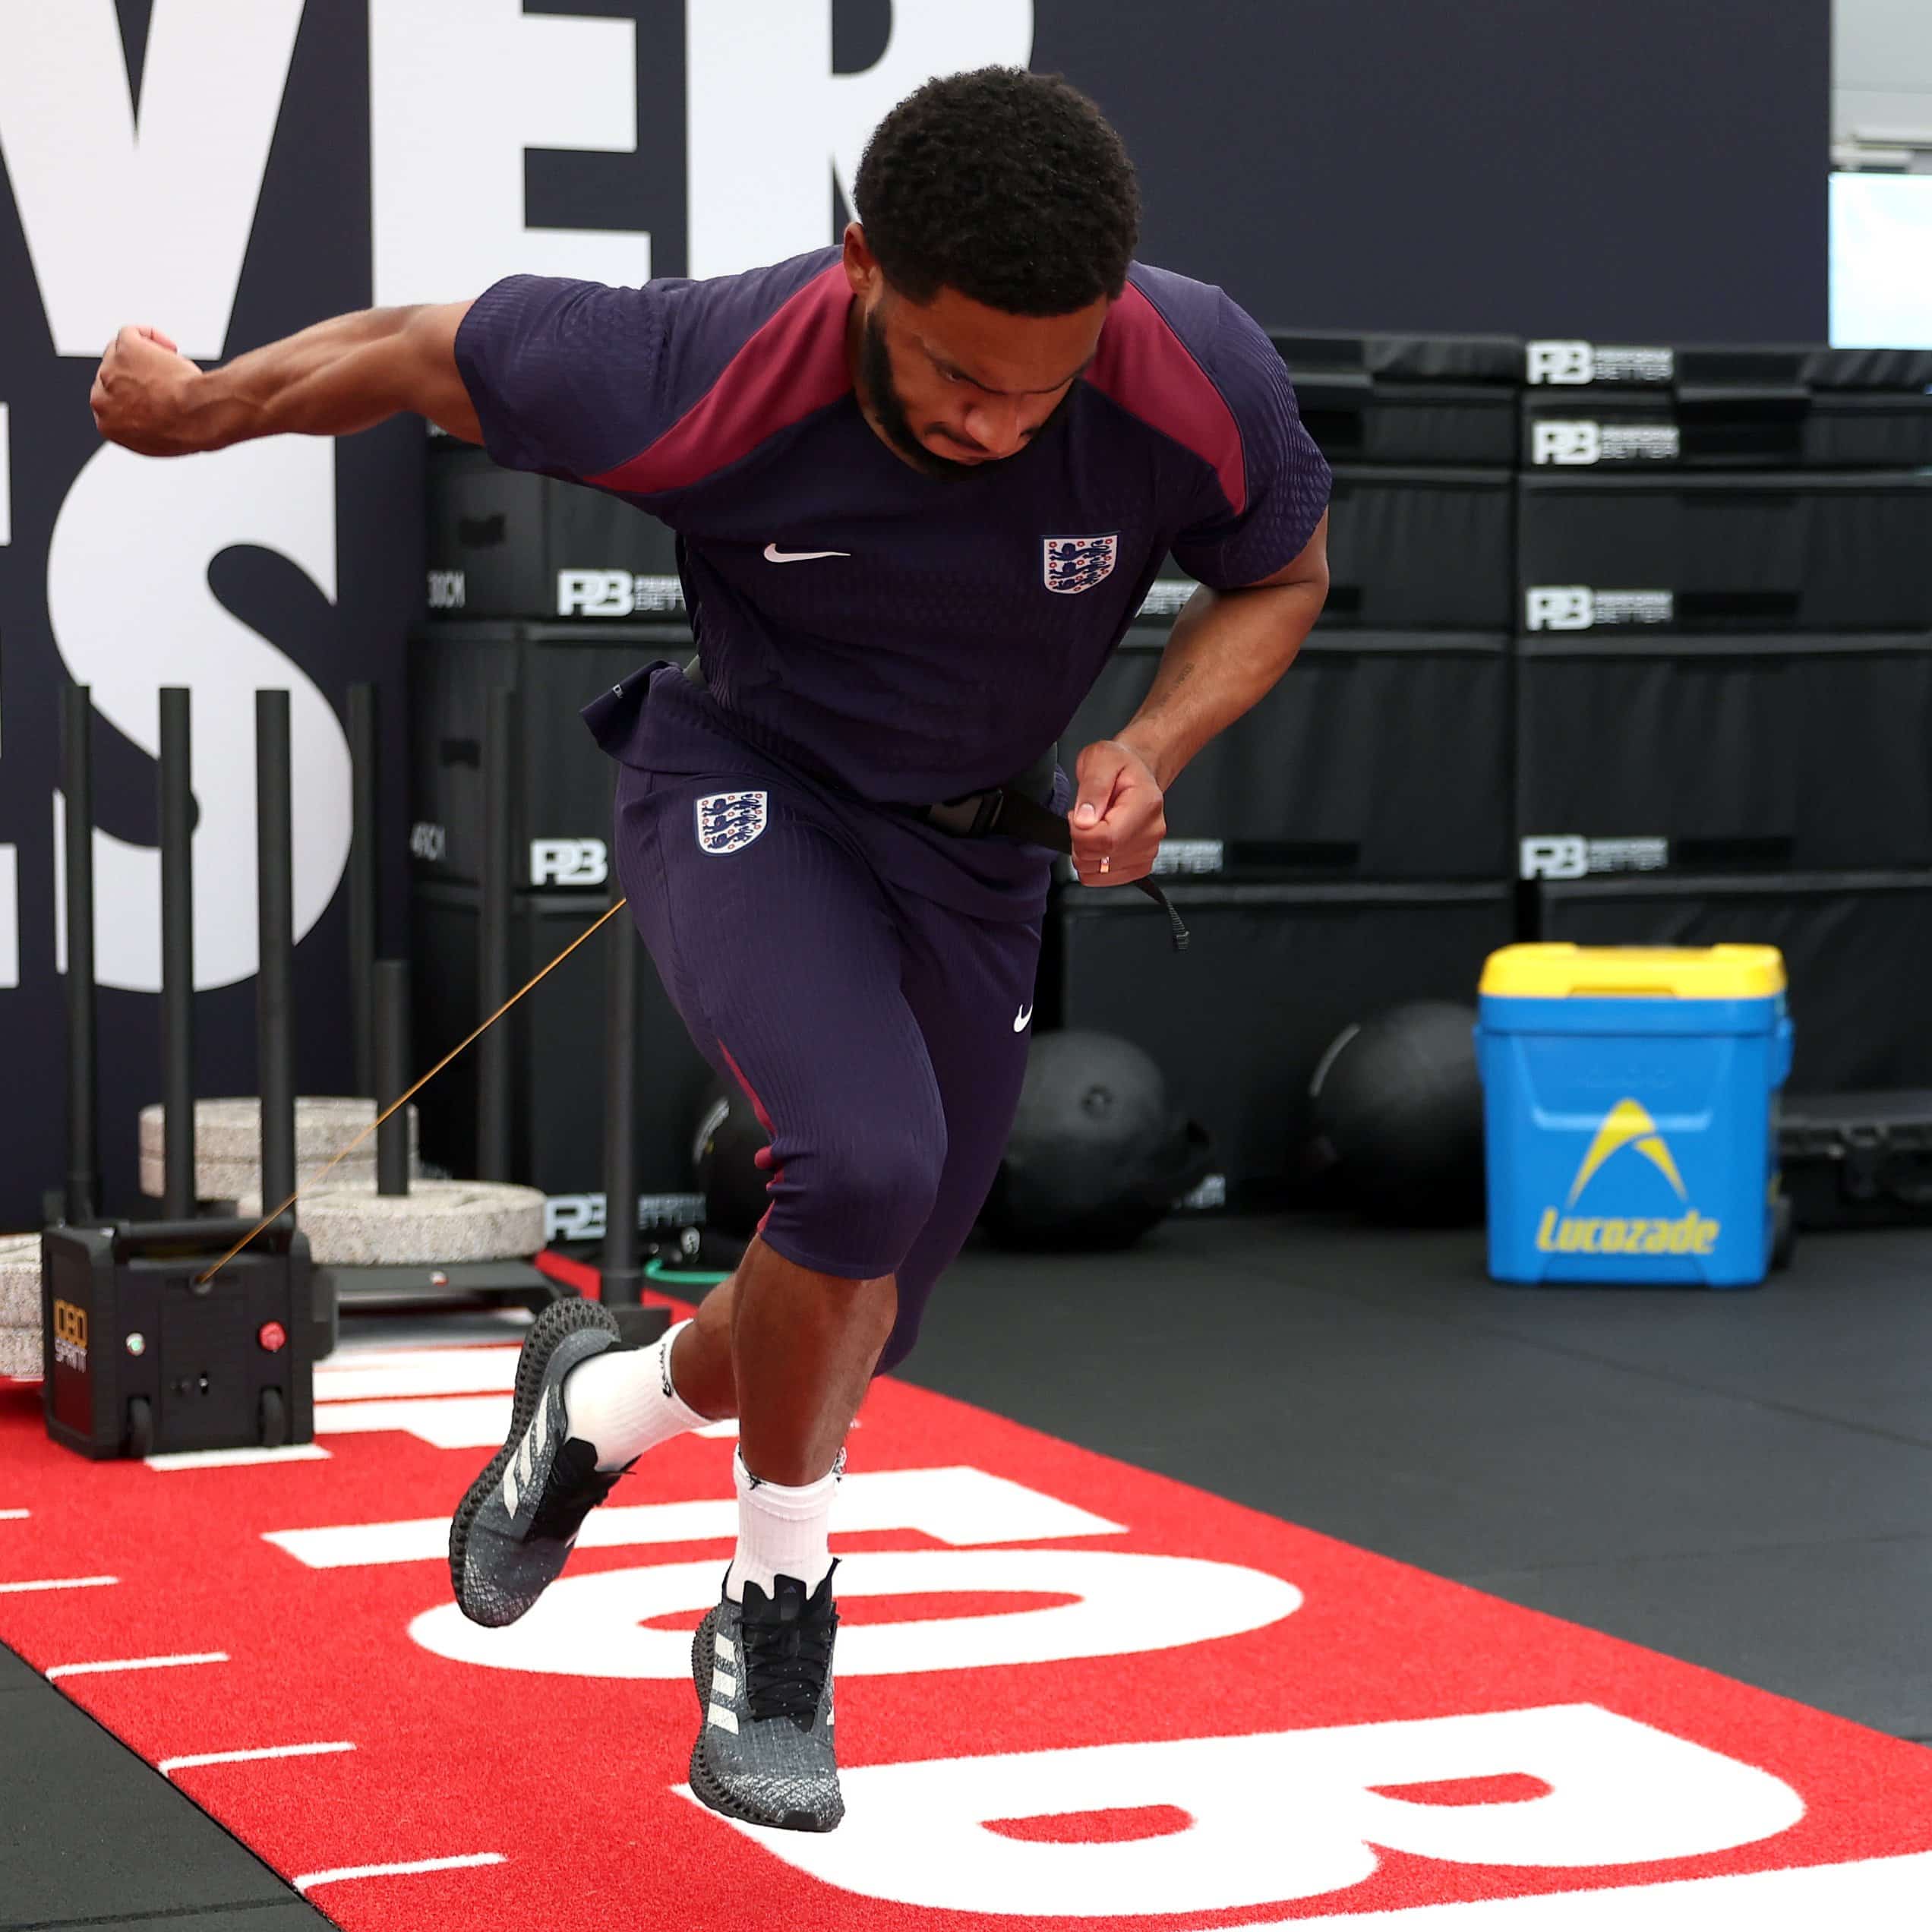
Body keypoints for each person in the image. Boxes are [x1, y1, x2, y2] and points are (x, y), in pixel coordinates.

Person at [90, 65, 1331, 1833]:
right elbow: (412, 347)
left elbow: (1279, 574)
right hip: (749, 785)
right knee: (866, 1169)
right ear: (860, 271)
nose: (999, 426)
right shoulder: (699, 367)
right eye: (962, 377)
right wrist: (198, 408)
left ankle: (590, 1412)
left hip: (977, 846)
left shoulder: (1187, 367)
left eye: (1039, 391)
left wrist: (1156, 744)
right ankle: (773, 1619)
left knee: (858, 1321)